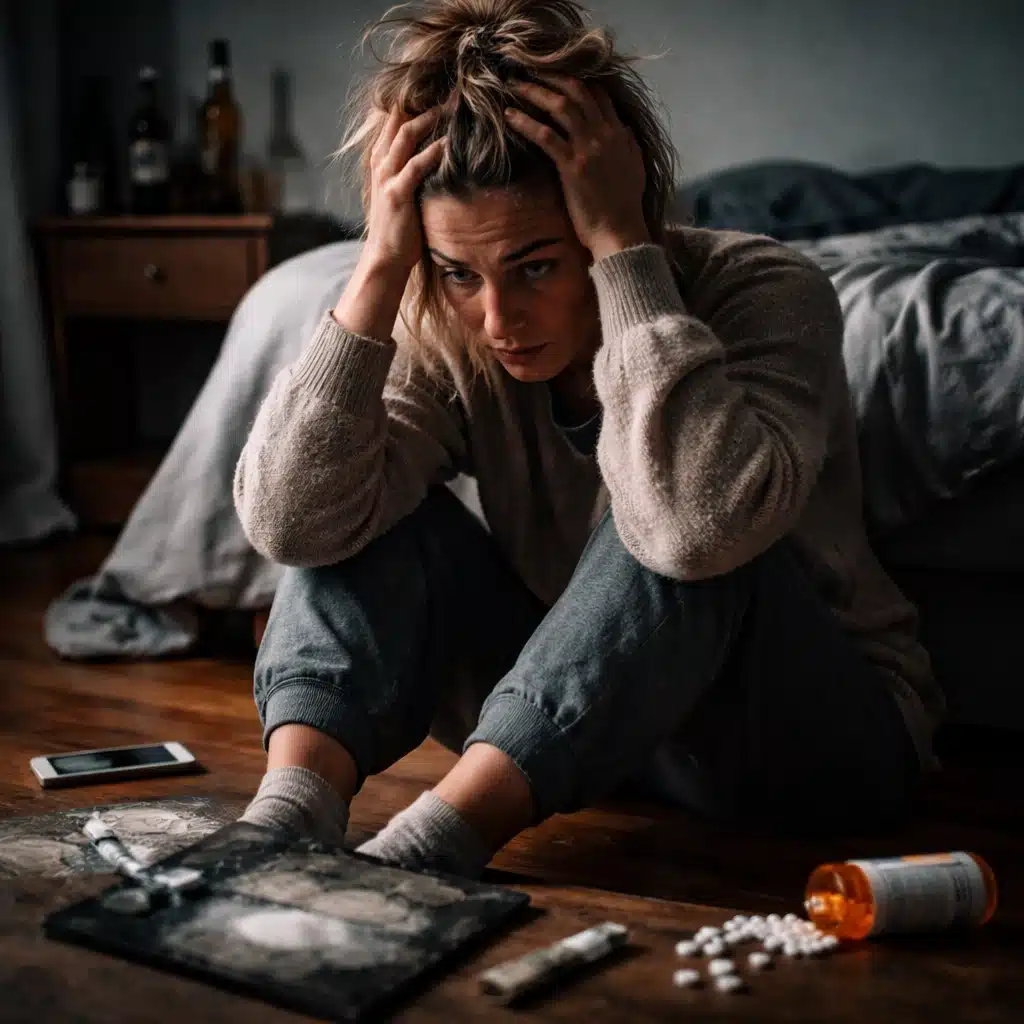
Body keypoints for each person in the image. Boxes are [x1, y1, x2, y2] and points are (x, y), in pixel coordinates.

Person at [234, 0, 942, 878]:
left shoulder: (767, 289)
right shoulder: (451, 324)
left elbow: (694, 532)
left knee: (680, 518)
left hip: (808, 742)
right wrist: (381, 268)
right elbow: (294, 526)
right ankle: (283, 825)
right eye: (461, 273)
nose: (499, 319)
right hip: (592, 725)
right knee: (357, 507)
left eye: (536, 265)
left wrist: (624, 251)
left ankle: (423, 856)